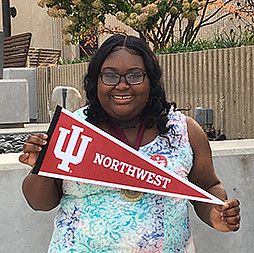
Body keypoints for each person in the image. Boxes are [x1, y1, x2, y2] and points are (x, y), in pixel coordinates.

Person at [20, 34, 240, 252]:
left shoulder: (184, 131)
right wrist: (42, 167)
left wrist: (216, 213)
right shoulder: (74, 129)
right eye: (110, 76)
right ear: (96, 81)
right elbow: (40, 203)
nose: (122, 85)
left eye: (134, 75)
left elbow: (207, 186)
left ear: (151, 81)